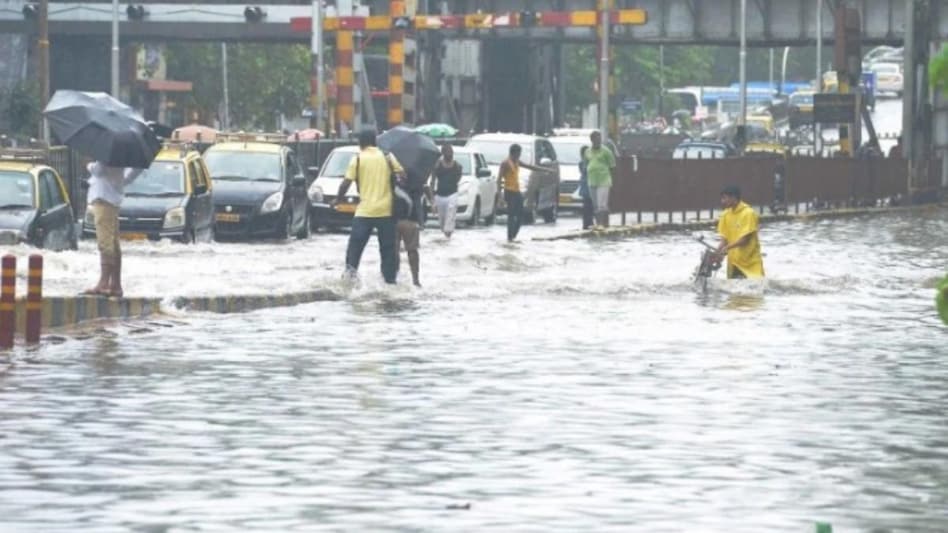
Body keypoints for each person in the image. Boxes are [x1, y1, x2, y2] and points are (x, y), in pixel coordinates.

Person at [337, 129, 406, 285]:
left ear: (361, 142)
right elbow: (403, 175)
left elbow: (346, 183)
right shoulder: (388, 156)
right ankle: (389, 281)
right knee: (388, 250)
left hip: (364, 212)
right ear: (375, 141)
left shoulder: (358, 159)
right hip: (386, 211)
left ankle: (350, 279)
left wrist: (337, 200)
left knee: (355, 248)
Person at [83, 161, 144, 298]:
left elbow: (98, 170)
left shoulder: (108, 153)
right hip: (113, 197)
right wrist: (120, 182)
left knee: (105, 241)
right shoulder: (124, 152)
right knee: (113, 242)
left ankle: (104, 283)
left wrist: (89, 165)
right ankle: (115, 284)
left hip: (103, 197)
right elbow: (135, 169)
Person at [496, 144, 546, 242]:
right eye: (519, 153)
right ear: (514, 153)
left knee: (520, 214)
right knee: (511, 215)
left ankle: (513, 236)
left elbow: (530, 167)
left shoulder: (517, 162)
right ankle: (510, 237)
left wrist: (546, 170)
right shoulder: (505, 163)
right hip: (509, 191)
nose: (519, 155)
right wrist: (500, 197)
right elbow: (499, 180)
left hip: (516, 191)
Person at [715, 185, 765, 279]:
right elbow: (724, 240)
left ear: (734, 197)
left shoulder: (748, 213)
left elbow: (744, 240)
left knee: (754, 290)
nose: (722, 201)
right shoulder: (725, 215)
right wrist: (717, 254)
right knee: (734, 291)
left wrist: (726, 248)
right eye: (722, 198)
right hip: (733, 262)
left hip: (750, 262)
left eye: (724, 198)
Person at [395, 167, 432, 288]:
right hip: (410, 220)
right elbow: (421, 194)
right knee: (412, 251)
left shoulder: (390, 172)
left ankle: (393, 278)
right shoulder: (417, 175)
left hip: (392, 219)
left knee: (393, 251)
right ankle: (415, 280)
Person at [584, 131, 616, 228]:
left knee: (601, 204)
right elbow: (586, 164)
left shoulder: (606, 151)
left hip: (604, 180)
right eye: (596, 139)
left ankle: (600, 224)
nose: (598, 141)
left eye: (599, 139)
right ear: (592, 140)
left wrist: (611, 179)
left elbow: (612, 166)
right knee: (596, 205)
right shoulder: (587, 151)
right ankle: (601, 222)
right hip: (592, 180)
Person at [430, 143, 462, 238]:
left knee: (450, 217)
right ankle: (445, 240)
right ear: (443, 153)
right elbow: (432, 182)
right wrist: (432, 201)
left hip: (452, 194)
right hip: (440, 195)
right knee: (442, 222)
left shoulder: (457, 166)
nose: (450, 154)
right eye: (447, 152)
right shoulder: (437, 166)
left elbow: (458, 179)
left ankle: (448, 238)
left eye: (451, 153)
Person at [578, 145, 594, 230]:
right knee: (587, 206)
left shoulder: (588, 161)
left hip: (590, 185)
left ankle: (589, 222)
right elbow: (584, 171)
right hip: (586, 186)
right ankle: (587, 223)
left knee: (589, 206)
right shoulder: (582, 163)